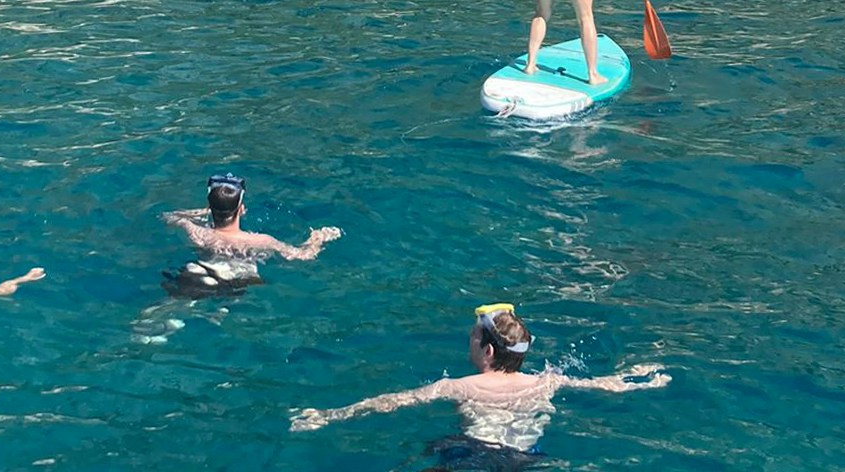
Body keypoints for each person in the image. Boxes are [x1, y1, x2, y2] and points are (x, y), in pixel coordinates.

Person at [289, 303, 669, 464]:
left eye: (472, 337)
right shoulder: (547, 382)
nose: (468, 340)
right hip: (526, 459)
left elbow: (391, 402)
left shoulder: (458, 387)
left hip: (474, 457)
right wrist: (642, 379)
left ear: (487, 351)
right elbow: (604, 385)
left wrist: (329, 416)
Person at [160, 173, 342, 296]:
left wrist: (206, 210)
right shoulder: (260, 241)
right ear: (241, 209)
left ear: (209, 207)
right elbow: (302, 256)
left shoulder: (197, 232)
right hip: (235, 286)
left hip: (196, 276)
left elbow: (169, 216)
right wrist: (318, 238)